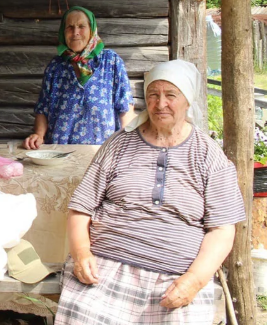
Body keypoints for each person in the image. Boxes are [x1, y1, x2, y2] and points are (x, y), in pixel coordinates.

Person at [54, 59, 246, 324]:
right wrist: (82, 253)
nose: (160, 103)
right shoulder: (119, 143)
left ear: (187, 100)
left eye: (170, 95)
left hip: (176, 276)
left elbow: (223, 230)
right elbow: (81, 208)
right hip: (106, 266)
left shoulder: (208, 155)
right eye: (153, 95)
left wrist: (194, 281)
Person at [23, 6, 135, 149]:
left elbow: (125, 107)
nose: (75, 32)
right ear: (63, 33)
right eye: (70, 27)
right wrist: (38, 134)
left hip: (101, 152)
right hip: (59, 150)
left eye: (81, 26)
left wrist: (128, 142)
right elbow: (43, 108)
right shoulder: (55, 66)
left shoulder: (111, 62)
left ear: (92, 30)